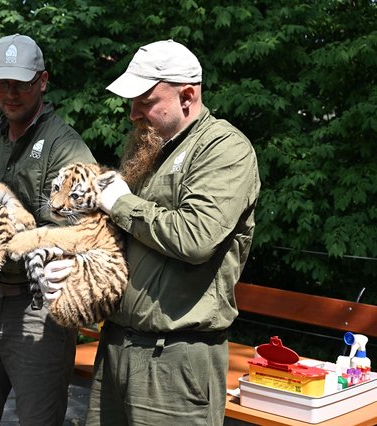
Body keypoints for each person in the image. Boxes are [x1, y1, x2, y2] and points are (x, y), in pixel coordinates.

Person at [71, 40, 259, 425]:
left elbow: (195, 237)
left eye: (144, 100)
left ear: (187, 95)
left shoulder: (224, 148)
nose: (132, 113)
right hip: (116, 345)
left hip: (174, 360)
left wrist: (121, 203)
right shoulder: (150, 146)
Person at [0, 34, 95, 425]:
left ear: (43, 81)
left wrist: (6, 240)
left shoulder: (64, 145)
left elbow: (83, 226)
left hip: (37, 310)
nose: (10, 93)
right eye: (2, 83)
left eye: (21, 83)